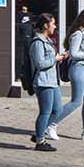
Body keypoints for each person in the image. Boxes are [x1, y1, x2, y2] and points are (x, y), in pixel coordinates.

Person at [53, 8, 84, 141]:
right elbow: (74, 54)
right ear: (82, 19)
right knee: (76, 101)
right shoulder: (77, 34)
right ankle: (51, 123)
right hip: (77, 68)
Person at [29, 13, 67, 152]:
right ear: (46, 25)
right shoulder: (38, 42)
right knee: (45, 112)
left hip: (52, 81)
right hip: (43, 82)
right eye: (53, 23)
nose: (55, 26)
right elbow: (40, 63)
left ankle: (39, 132)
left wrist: (60, 57)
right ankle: (40, 141)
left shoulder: (48, 40)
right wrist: (55, 59)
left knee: (58, 110)